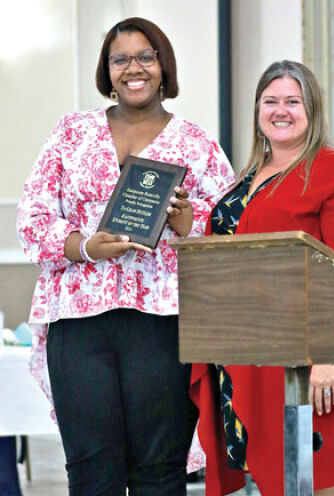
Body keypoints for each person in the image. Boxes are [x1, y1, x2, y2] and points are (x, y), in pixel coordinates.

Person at [16, 17, 235, 496]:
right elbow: (31, 218)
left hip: (163, 322)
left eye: (146, 56)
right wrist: (84, 246)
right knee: (92, 471)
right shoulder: (70, 133)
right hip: (78, 321)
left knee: (160, 470)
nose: (133, 68)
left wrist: (187, 223)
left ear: (163, 66)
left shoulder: (196, 144)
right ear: (107, 69)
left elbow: (231, 230)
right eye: (120, 59)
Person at [190, 60, 334, 496]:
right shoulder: (247, 178)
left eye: (292, 101)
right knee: (273, 479)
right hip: (247, 353)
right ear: (257, 110)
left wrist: (329, 356)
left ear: (312, 109)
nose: (280, 111)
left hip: (308, 359)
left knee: (310, 479)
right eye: (270, 101)